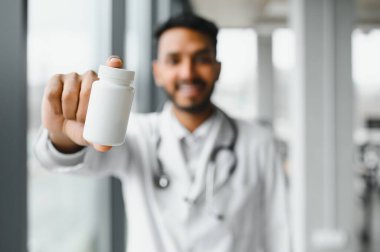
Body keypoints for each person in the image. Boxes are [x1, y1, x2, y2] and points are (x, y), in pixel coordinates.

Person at [34, 13, 290, 252]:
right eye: (174, 60)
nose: (187, 72)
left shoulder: (259, 142)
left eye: (201, 59)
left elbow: (279, 229)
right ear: (158, 72)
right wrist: (64, 137)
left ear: (217, 68)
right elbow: (76, 159)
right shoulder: (136, 134)